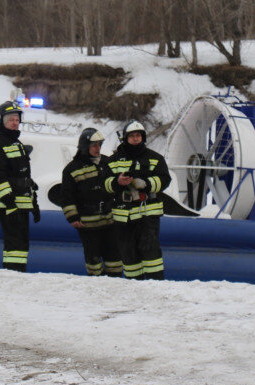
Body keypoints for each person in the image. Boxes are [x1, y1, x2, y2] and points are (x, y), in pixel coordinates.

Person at [104, 120, 171, 280]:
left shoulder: (155, 159)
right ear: (125, 138)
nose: (135, 139)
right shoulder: (112, 161)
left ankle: (156, 284)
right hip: (123, 217)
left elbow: (165, 180)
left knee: (151, 252)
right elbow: (104, 184)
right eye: (132, 136)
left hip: (147, 215)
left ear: (143, 138)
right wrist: (117, 182)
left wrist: (146, 184)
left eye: (138, 136)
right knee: (128, 255)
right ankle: (134, 287)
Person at [60, 128, 122, 276]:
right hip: (87, 224)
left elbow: (117, 187)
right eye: (94, 145)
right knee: (93, 261)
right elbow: (66, 196)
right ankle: (95, 289)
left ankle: (116, 288)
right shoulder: (72, 169)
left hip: (109, 222)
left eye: (99, 145)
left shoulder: (107, 163)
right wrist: (73, 217)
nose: (97, 149)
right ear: (85, 146)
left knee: (115, 260)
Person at [0, 101, 39, 272]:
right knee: (14, 242)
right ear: (1, 120)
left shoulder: (17, 143)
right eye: (11, 119)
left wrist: (34, 203)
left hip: (22, 202)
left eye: (17, 119)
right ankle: (12, 273)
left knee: (22, 241)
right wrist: (9, 203)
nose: (15, 122)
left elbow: (24, 176)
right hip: (10, 203)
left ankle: (19, 272)